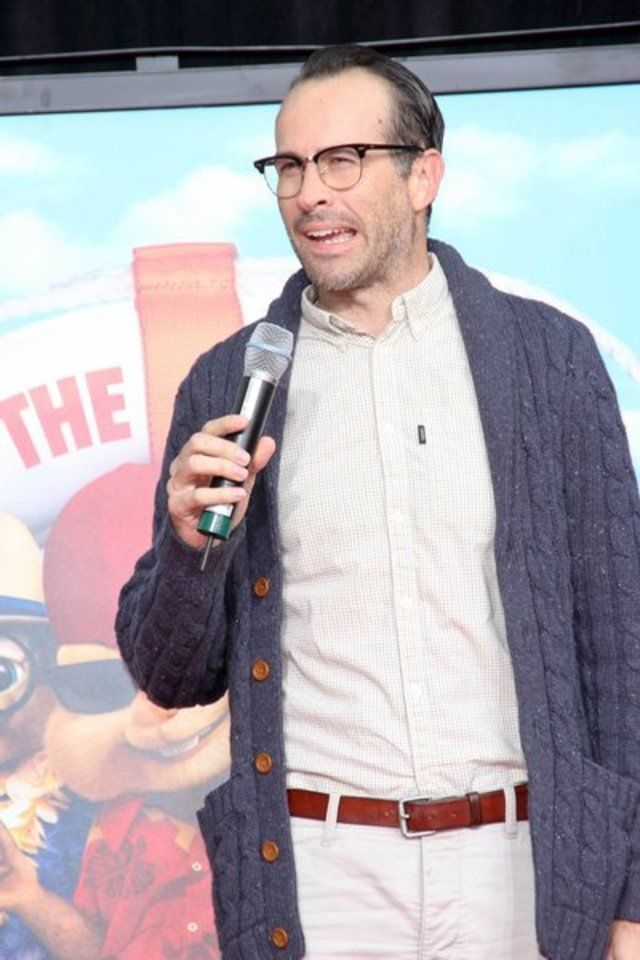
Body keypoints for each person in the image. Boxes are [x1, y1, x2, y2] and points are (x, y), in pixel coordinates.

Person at [115, 44, 640, 960]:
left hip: (521, 867)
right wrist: (191, 548)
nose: (309, 194)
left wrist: (631, 900)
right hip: (318, 872)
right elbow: (170, 677)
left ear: (423, 176)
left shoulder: (549, 361)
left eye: (343, 161)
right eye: (289, 166)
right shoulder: (229, 379)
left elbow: (621, 645)